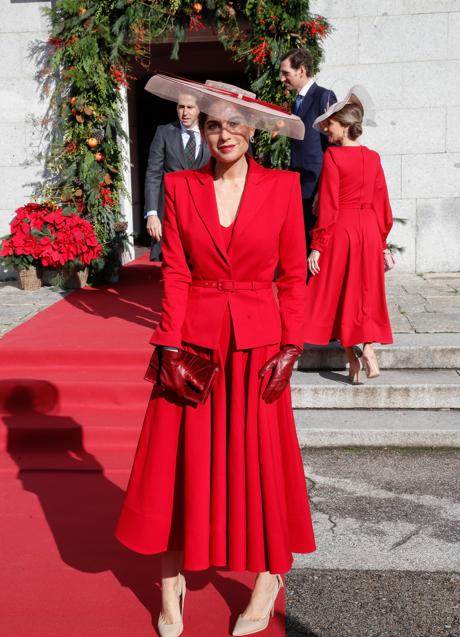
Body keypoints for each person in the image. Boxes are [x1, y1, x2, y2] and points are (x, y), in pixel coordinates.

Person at [115, 74, 316, 637]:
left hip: (258, 348)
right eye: (212, 123)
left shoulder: (281, 188)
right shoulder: (180, 188)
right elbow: (175, 273)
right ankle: (170, 582)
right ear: (200, 128)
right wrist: (168, 344)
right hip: (196, 343)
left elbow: (292, 277)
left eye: (233, 123)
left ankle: (270, 576)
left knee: (262, 465)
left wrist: (293, 345)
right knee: (175, 462)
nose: (223, 133)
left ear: (252, 131)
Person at [304, 86, 393, 382]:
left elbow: (328, 206)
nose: (327, 130)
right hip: (368, 228)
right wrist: (382, 244)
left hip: (342, 228)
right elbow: (382, 204)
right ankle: (367, 349)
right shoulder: (374, 157)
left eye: (330, 125)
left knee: (337, 292)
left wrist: (317, 246)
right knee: (365, 291)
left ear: (343, 126)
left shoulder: (334, 158)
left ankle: (351, 354)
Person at [144, 92, 210, 260]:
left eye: (190, 107)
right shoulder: (164, 133)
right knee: (171, 265)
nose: (185, 112)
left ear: (200, 109)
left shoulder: (210, 135)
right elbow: (153, 174)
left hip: (203, 213)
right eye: (181, 107)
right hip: (170, 212)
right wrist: (152, 214)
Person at [280, 48, 337, 241]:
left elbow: (334, 148)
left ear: (301, 70)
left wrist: (324, 189)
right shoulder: (296, 101)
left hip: (315, 187)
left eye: (286, 73)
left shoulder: (324, 96)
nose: (282, 79)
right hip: (299, 185)